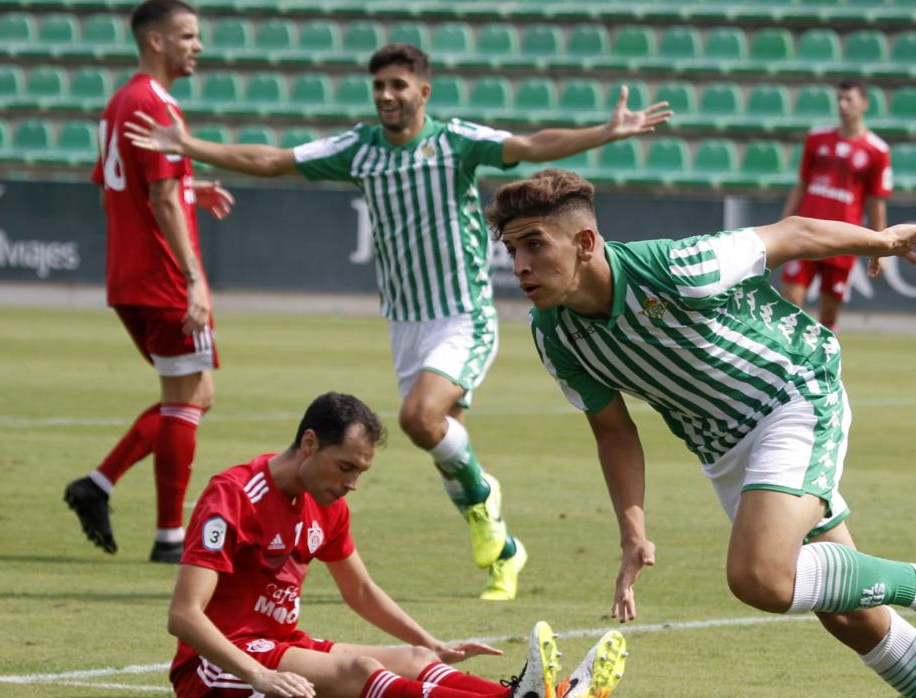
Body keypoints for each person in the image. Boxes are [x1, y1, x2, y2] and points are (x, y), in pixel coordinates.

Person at [123, 43, 672, 599]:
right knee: (442, 442)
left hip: (462, 314)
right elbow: (275, 159)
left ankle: (490, 518)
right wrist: (189, 145)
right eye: (379, 86)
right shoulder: (359, 149)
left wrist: (607, 131)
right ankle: (503, 548)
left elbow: (530, 146)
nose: (387, 95)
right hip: (405, 323)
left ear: (422, 92)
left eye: (398, 85)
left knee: (418, 417)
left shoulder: (453, 141)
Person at [487, 169, 916, 697]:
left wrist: (882, 239)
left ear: (585, 243)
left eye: (534, 245)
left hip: (791, 395)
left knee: (760, 576)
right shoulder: (554, 335)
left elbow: (790, 234)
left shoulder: (677, 267)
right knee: (849, 615)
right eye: (511, 250)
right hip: (724, 448)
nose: (520, 265)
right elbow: (614, 431)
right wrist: (633, 532)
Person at [167, 391, 628, 698]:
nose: (352, 484)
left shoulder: (326, 504)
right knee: (362, 672)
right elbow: (184, 616)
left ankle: (537, 694)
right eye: (345, 467)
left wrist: (433, 642)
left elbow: (361, 591)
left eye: (360, 473)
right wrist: (257, 674)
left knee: (414, 658)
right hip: (216, 666)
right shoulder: (234, 495)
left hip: (281, 645)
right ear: (309, 443)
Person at [64, 0, 236, 563]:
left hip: (128, 277)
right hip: (164, 278)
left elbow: (110, 188)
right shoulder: (156, 105)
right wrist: (194, 281)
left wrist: (193, 190)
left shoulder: (120, 103)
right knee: (186, 400)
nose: (198, 46)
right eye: (187, 35)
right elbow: (159, 194)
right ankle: (167, 538)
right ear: (156, 41)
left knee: (193, 396)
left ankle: (99, 484)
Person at [780, 79, 892, 333]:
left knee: (829, 315)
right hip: (806, 232)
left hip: (842, 238)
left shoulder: (877, 150)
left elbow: (877, 201)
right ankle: (791, 364)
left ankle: (822, 366)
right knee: (791, 301)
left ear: (864, 104)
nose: (842, 105)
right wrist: (782, 223)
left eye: (849, 100)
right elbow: (802, 185)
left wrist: (880, 244)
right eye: (839, 99)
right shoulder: (816, 138)